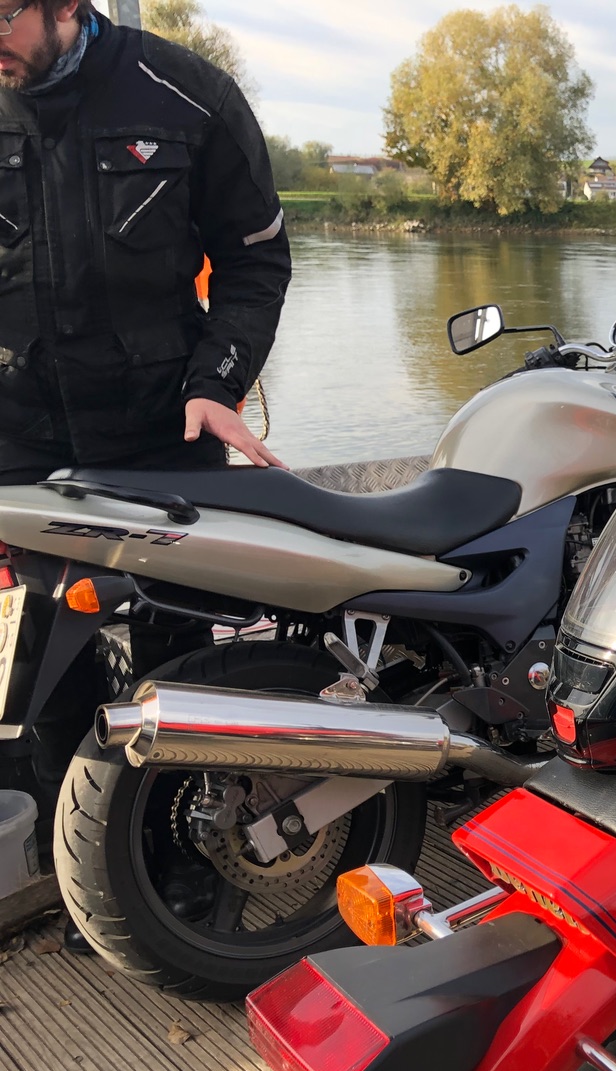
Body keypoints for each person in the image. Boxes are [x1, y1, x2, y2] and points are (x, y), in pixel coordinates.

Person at [0, 0, 291, 940]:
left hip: (167, 429)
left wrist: (219, 383)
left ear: (63, 5)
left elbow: (256, 262)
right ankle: (81, 873)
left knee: (181, 665)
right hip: (22, 439)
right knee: (49, 667)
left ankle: (188, 865)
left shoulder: (187, 94)